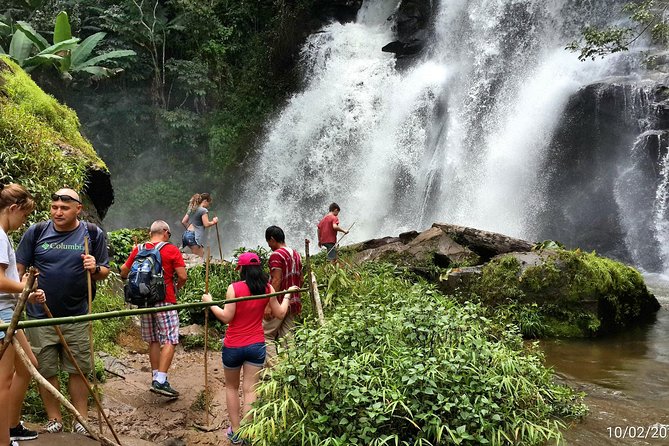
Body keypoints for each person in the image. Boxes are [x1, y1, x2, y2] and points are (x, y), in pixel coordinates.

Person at [16, 188, 110, 435]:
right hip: (39, 316)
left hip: (78, 314)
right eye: (54, 207)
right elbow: (19, 268)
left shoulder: (92, 233)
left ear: (78, 209)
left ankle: (80, 418)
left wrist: (95, 268)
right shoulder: (36, 232)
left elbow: (105, 271)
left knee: (78, 368)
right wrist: (24, 285)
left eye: (64, 208)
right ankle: (54, 418)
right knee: (45, 369)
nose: (58, 212)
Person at [202, 252, 295, 445]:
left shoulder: (234, 288)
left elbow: (227, 317)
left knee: (231, 387)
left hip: (234, 346)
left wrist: (210, 303)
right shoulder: (267, 288)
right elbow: (280, 313)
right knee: (250, 390)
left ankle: (236, 432)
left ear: (242, 269)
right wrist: (286, 296)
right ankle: (247, 432)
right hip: (256, 345)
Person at [0, 184, 45, 446]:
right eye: (24, 215)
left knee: (29, 366)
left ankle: (11, 426)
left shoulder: (4, 236)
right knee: (3, 380)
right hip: (4, 316)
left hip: (9, 312)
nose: (23, 221)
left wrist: (24, 291)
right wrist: (26, 288)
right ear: (13, 208)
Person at [120, 220, 187, 397]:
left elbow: (123, 272)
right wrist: (175, 288)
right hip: (164, 300)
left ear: (151, 233)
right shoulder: (171, 249)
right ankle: (161, 380)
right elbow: (182, 276)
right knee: (171, 339)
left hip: (144, 302)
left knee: (153, 340)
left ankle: (155, 375)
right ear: (165, 232)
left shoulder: (139, 248)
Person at [263, 226, 302, 367]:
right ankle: (291, 370)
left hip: (279, 303)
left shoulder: (277, 255)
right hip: (293, 302)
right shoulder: (296, 254)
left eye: (268, 242)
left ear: (272, 239)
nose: (269, 246)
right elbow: (300, 278)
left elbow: (276, 280)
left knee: (264, 335)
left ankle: (275, 370)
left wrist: (269, 305)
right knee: (288, 337)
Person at [181, 193, 218, 257]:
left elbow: (184, 221)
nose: (208, 205)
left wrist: (190, 230)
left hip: (186, 234)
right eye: (209, 203)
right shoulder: (203, 210)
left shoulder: (193, 209)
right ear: (205, 201)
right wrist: (214, 222)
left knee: (201, 251)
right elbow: (206, 224)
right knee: (199, 259)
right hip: (193, 236)